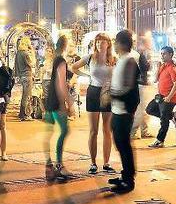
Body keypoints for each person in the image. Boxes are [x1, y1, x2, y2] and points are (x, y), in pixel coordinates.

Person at [70, 33, 116, 174]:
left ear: (108, 44)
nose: (99, 45)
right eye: (97, 42)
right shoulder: (90, 58)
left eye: (102, 42)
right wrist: (87, 75)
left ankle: (107, 162)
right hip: (94, 92)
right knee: (93, 130)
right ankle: (93, 162)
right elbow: (74, 67)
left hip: (108, 93)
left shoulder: (114, 59)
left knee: (107, 130)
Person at [108, 30, 141, 193]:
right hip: (117, 109)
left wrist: (112, 95)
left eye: (115, 42)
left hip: (124, 111)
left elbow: (129, 88)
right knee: (120, 143)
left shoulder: (129, 61)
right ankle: (125, 174)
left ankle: (129, 179)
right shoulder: (121, 60)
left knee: (124, 144)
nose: (114, 45)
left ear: (121, 44)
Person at [41, 35, 73, 180]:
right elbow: (61, 84)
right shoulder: (61, 61)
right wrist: (68, 103)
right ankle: (59, 164)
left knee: (48, 133)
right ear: (65, 45)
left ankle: (48, 165)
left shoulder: (53, 59)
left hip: (49, 100)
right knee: (64, 130)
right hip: (57, 102)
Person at [150, 46, 176, 148]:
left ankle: (160, 140)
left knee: (163, 120)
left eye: (164, 54)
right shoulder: (163, 66)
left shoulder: (173, 68)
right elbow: (155, 80)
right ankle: (171, 116)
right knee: (150, 109)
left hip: (168, 98)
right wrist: (158, 68)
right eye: (161, 54)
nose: (162, 56)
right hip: (160, 96)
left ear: (170, 55)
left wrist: (169, 97)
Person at [15, 37, 36, 121]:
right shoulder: (25, 54)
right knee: (27, 96)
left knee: (24, 95)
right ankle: (25, 114)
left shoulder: (18, 53)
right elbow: (32, 64)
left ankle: (21, 113)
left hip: (21, 76)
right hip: (27, 75)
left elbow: (16, 65)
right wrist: (33, 53)